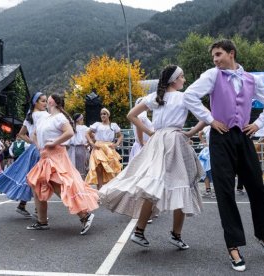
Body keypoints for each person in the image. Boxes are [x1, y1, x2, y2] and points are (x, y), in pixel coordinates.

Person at [183, 39, 264, 272]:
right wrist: (209, 119)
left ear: (231, 53)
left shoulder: (251, 79)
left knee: (258, 188)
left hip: (244, 136)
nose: (215, 60)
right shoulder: (212, 75)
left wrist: (257, 124)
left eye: (218, 55)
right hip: (221, 136)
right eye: (213, 57)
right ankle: (233, 245)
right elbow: (189, 95)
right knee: (225, 191)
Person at [99, 65, 205, 250]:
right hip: (175, 140)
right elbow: (205, 117)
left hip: (157, 141)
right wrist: (189, 133)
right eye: (182, 77)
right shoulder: (184, 97)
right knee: (181, 184)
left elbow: (131, 115)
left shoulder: (156, 96)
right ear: (174, 80)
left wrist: (151, 132)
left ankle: (140, 231)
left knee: (153, 183)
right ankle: (175, 234)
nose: (184, 80)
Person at [26, 94, 99, 234]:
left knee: (60, 185)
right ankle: (42, 221)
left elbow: (70, 132)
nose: (47, 100)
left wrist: (54, 142)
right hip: (45, 155)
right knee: (36, 184)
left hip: (56, 154)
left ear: (53, 101)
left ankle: (85, 216)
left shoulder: (59, 117)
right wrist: (39, 145)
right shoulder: (46, 117)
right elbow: (34, 133)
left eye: (49, 99)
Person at [0, 92, 49, 217]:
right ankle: (38, 210)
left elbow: (21, 134)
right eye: (43, 101)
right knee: (40, 179)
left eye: (46, 101)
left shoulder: (30, 116)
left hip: (33, 150)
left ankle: (23, 205)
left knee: (29, 178)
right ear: (35, 102)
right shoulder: (43, 115)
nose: (46, 103)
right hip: (40, 150)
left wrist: (33, 142)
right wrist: (36, 142)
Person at [85, 108, 123, 190]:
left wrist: (116, 144)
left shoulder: (113, 125)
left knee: (110, 169)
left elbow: (120, 135)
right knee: (99, 168)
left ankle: (108, 189)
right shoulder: (97, 124)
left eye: (104, 114)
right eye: (101, 114)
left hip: (109, 148)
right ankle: (99, 188)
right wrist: (91, 143)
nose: (102, 115)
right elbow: (87, 133)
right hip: (98, 148)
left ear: (108, 115)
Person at [128, 97, 154, 162]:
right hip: (142, 146)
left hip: (140, 145)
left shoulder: (138, 114)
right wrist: (141, 142)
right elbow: (139, 123)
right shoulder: (142, 113)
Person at [68, 113, 90, 178]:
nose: (83, 120)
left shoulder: (70, 128)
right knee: (82, 169)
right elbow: (94, 136)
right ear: (78, 120)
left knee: (72, 169)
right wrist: (88, 144)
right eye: (82, 119)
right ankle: (82, 184)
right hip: (81, 148)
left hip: (70, 149)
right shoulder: (84, 128)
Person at [198, 125, 215, 198]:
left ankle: (216, 191)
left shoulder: (221, 125)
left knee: (214, 171)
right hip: (208, 151)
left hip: (216, 151)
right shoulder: (207, 127)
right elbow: (199, 133)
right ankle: (208, 190)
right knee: (205, 171)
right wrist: (204, 142)